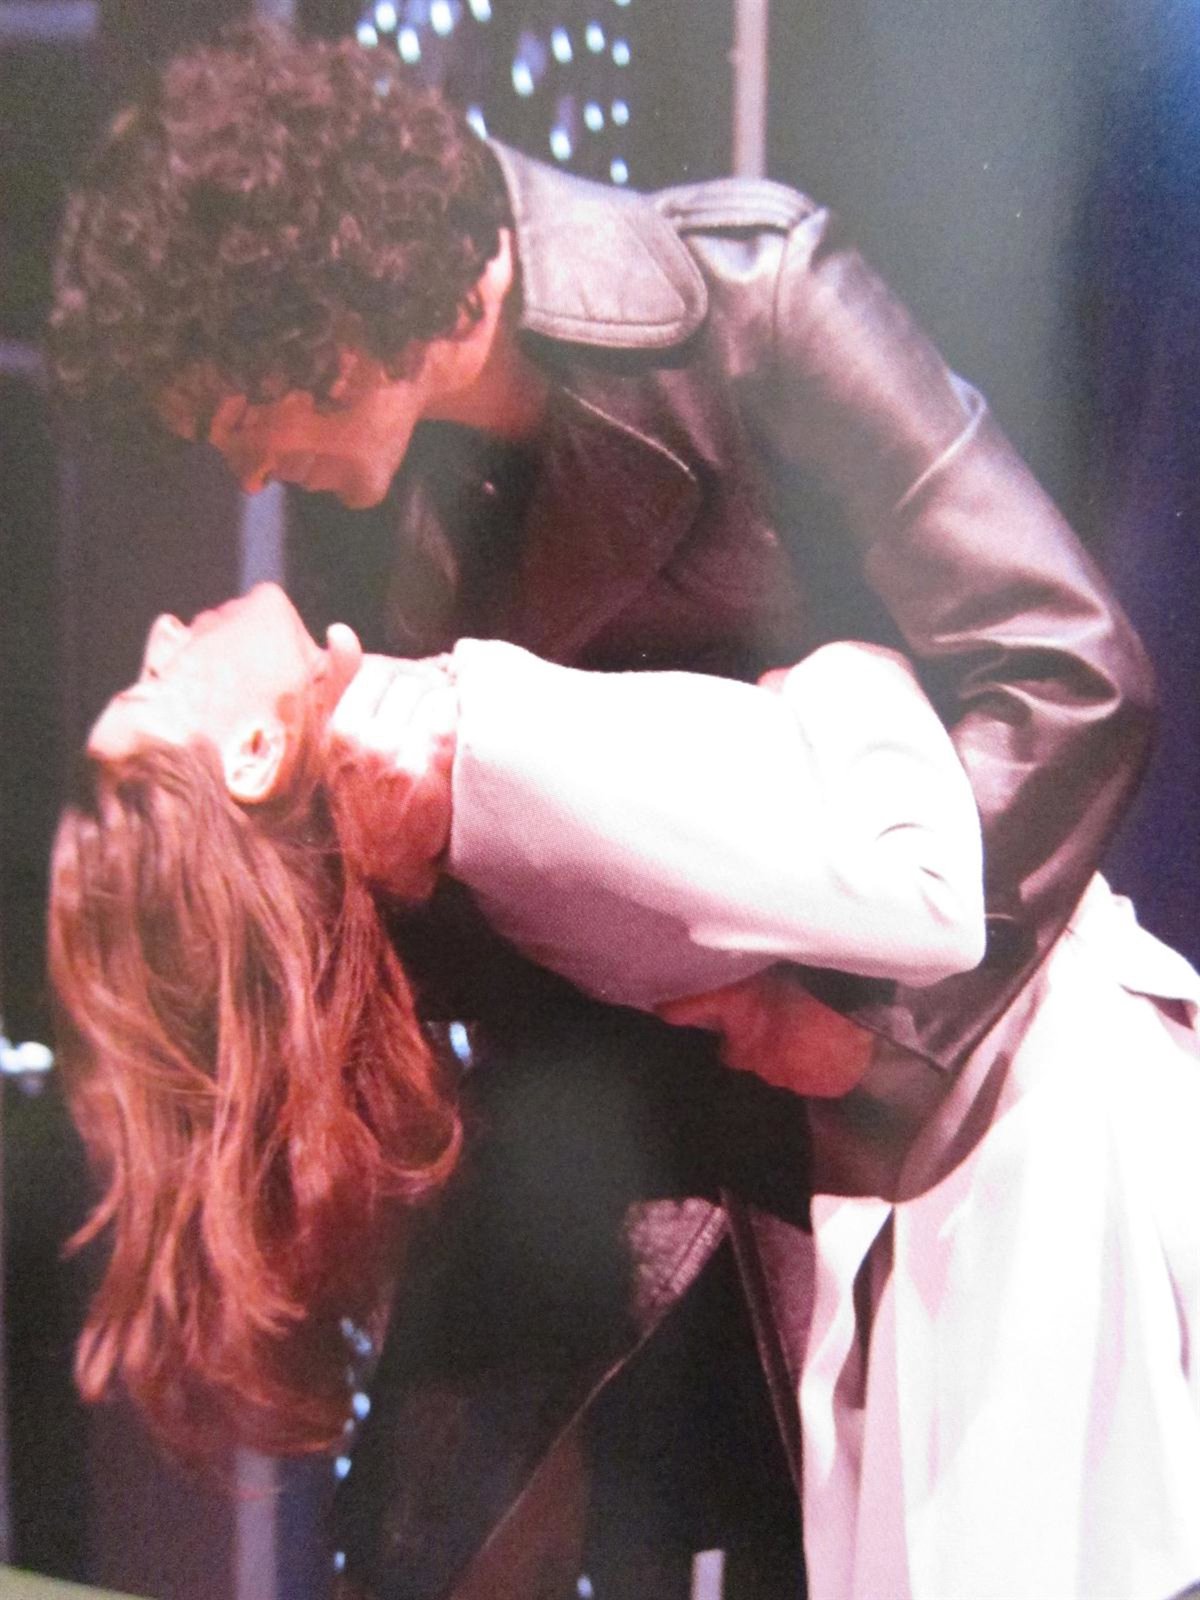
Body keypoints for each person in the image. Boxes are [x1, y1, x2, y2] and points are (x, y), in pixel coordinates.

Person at [49, 21, 1158, 1596]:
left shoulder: (759, 303)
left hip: (943, 1115)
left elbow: (1071, 672)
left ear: (315, 321)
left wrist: (869, 1030)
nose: (248, 472)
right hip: (657, 1143)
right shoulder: (404, 495)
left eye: (233, 415)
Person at [50, 585, 1200, 1599]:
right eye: (154, 684)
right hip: (1041, 1168)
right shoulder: (489, 751)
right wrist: (848, 667)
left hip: (1000, 1179)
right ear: (255, 753)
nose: (163, 632)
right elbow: (933, 896)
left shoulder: (471, 791)